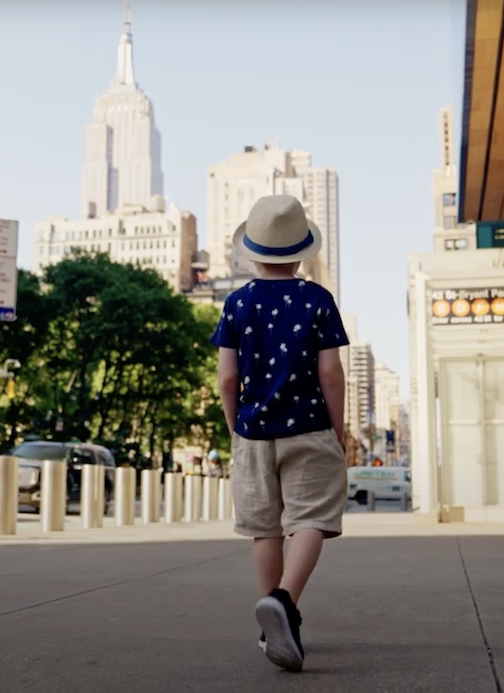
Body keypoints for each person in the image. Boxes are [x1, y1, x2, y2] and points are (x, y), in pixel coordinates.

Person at [210, 194, 349, 673]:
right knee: (310, 519)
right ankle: (285, 602)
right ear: (301, 252)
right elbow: (331, 372)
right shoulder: (317, 300)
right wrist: (339, 428)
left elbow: (227, 378)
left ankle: (273, 623)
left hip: (252, 430)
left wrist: (235, 427)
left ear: (253, 252)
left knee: (263, 528)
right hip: (309, 425)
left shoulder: (235, 303)